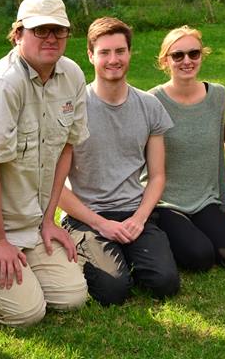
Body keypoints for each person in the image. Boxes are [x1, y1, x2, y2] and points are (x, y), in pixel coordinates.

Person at [0, 0, 88, 326]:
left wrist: (50, 220)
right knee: (26, 313)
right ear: (19, 33)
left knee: (71, 297)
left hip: (31, 220)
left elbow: (66, 149)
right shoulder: (2, 85)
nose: (51, 38)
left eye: (59, 30)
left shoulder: (73, 75)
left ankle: (17, 265)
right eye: (40, 30)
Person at [60, 17, 181, 305]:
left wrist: (139, 219)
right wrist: (101, 224)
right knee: (113, 291)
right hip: (87, 215)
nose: (113, 59)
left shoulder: (149, 106)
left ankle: (127, 253)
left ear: (129, 53)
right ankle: (103, 256)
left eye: (120, 51)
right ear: (90, 56)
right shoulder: (73, 110)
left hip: (134, 211)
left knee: (165, 283)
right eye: (104, 52)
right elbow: (57, 187)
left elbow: (158, 175)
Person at [149, 26, 225, 271]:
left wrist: (224, 204)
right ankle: (164, 233)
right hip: (166, 203)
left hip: (205, 201)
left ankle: (197, 232)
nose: (187, 61)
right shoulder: (152, 101)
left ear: (202, 55)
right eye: (178, 55)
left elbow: (217, 154)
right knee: (200, 257)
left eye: (194, 53)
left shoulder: (217, 95)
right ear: (165, 61)